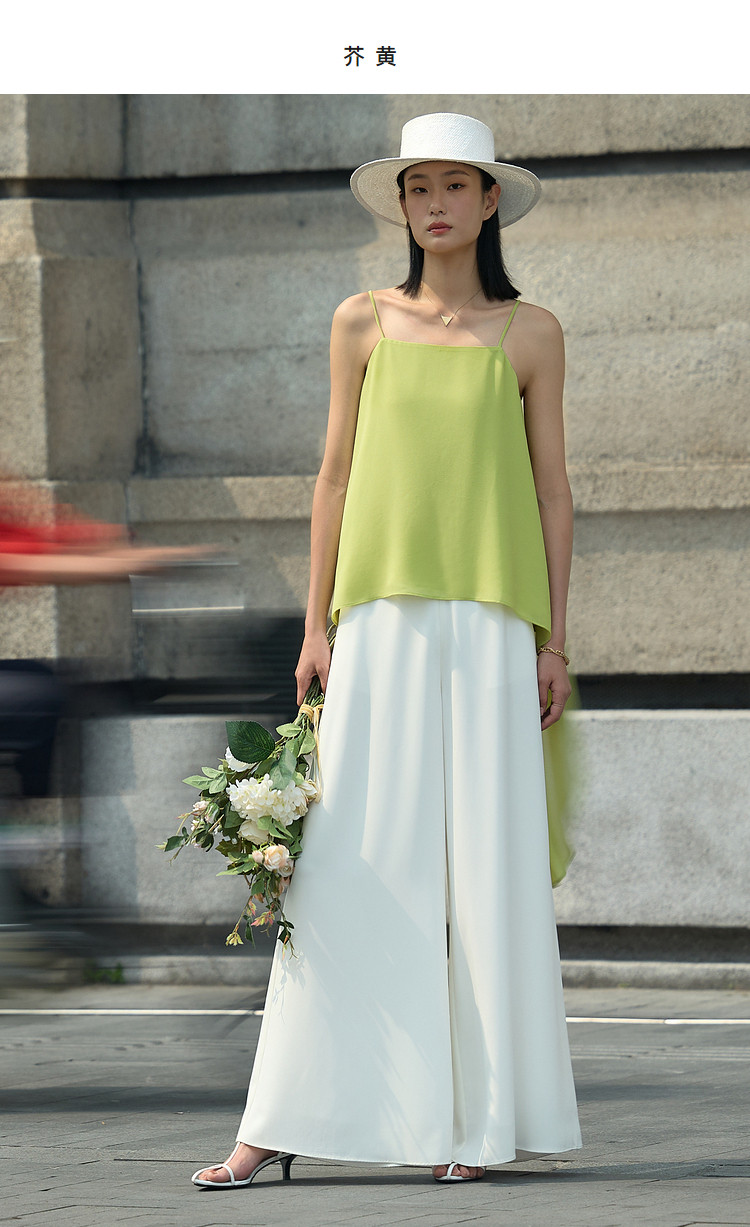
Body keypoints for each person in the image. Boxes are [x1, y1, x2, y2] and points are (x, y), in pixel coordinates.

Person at [192, 111, 582, 1189]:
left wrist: (554, 641)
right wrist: (316, 623)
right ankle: (278, 1118)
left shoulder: (533, 333)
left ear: (490, 201)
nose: (436, 204)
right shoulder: (361, 321)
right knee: (345, 861)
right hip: (378, 622)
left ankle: (477, 1125)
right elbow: (334, 478)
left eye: (456, 184)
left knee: (488, 871)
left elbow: (553, 493)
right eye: (420, 188)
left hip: (494, 626)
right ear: (403, 207)